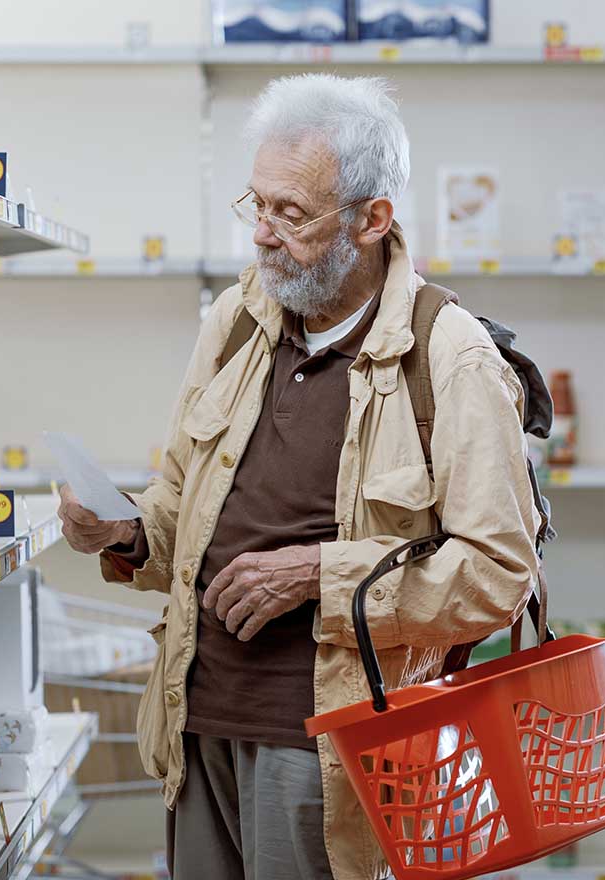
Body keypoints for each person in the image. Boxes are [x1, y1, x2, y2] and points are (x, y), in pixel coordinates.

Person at [58, 73, 540, 880]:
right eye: (257, 205)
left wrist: (319, 573)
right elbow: (183, 504)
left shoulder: (450, 356)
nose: (262, 235)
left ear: (372, 219)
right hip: (195, 722)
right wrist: (128, 531)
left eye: (291, 213)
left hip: (328, 747)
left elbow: (497, 576)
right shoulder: (235, 322)